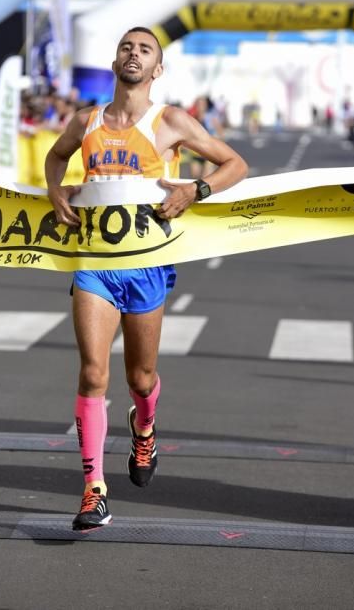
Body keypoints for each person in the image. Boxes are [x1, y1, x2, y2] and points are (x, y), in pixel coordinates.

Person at [45, 27, 248, 531]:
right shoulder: (85, 120)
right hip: (94, 265)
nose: (133, 54)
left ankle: (145, 426)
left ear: (157, 69)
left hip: (147, 266)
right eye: (126, 47)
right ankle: (94, 490)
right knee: (93, 373)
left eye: (144, 50)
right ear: (115, 61)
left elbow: (235, 164)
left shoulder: (171, 121)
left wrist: (194, 190)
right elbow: (55, 157)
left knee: (140, 378)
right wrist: (55, 192)